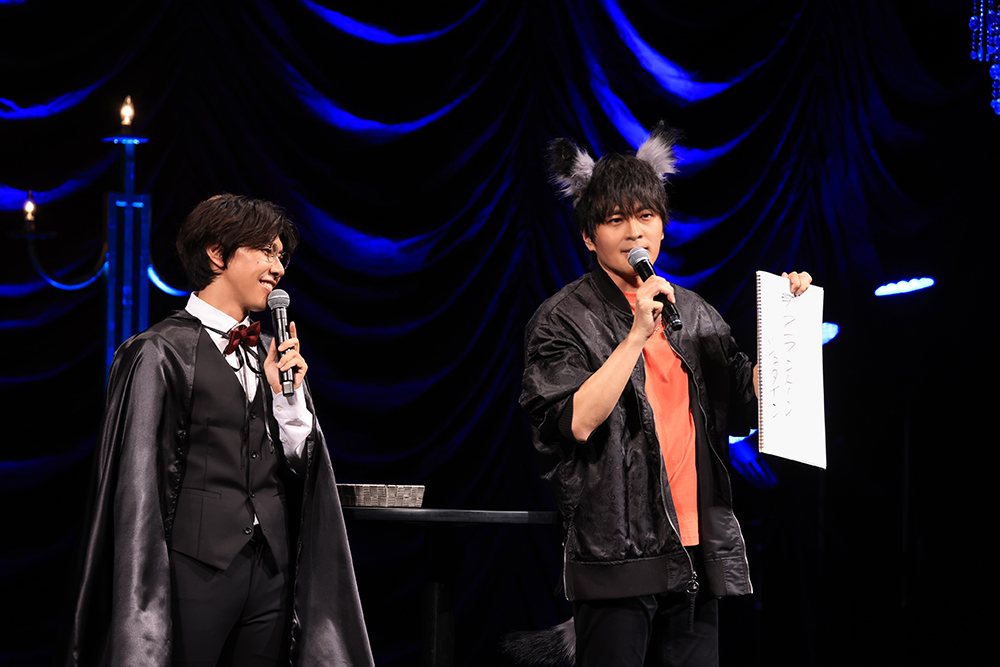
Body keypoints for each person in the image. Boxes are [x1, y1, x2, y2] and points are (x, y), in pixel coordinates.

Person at [519, 123, 810, 666]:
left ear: (662, 224)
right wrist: (634, 335)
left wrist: (789, 323)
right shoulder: (563, 319)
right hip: (617, 556)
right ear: (589, 237)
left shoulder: (694, 313)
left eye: (646, 216)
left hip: (694, 553)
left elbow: (749, 401)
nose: (634, 232)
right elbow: (576, 420)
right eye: (615, 220)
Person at [66, 195, 374, 667]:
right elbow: (137, 485)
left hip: (271, 572)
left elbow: (302, 467)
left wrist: (289, 398)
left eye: (281, 256)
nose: (278, 269)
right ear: (217, 254)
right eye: (266, 251)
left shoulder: (272, 351)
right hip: (194, 569)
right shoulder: (157, 351)